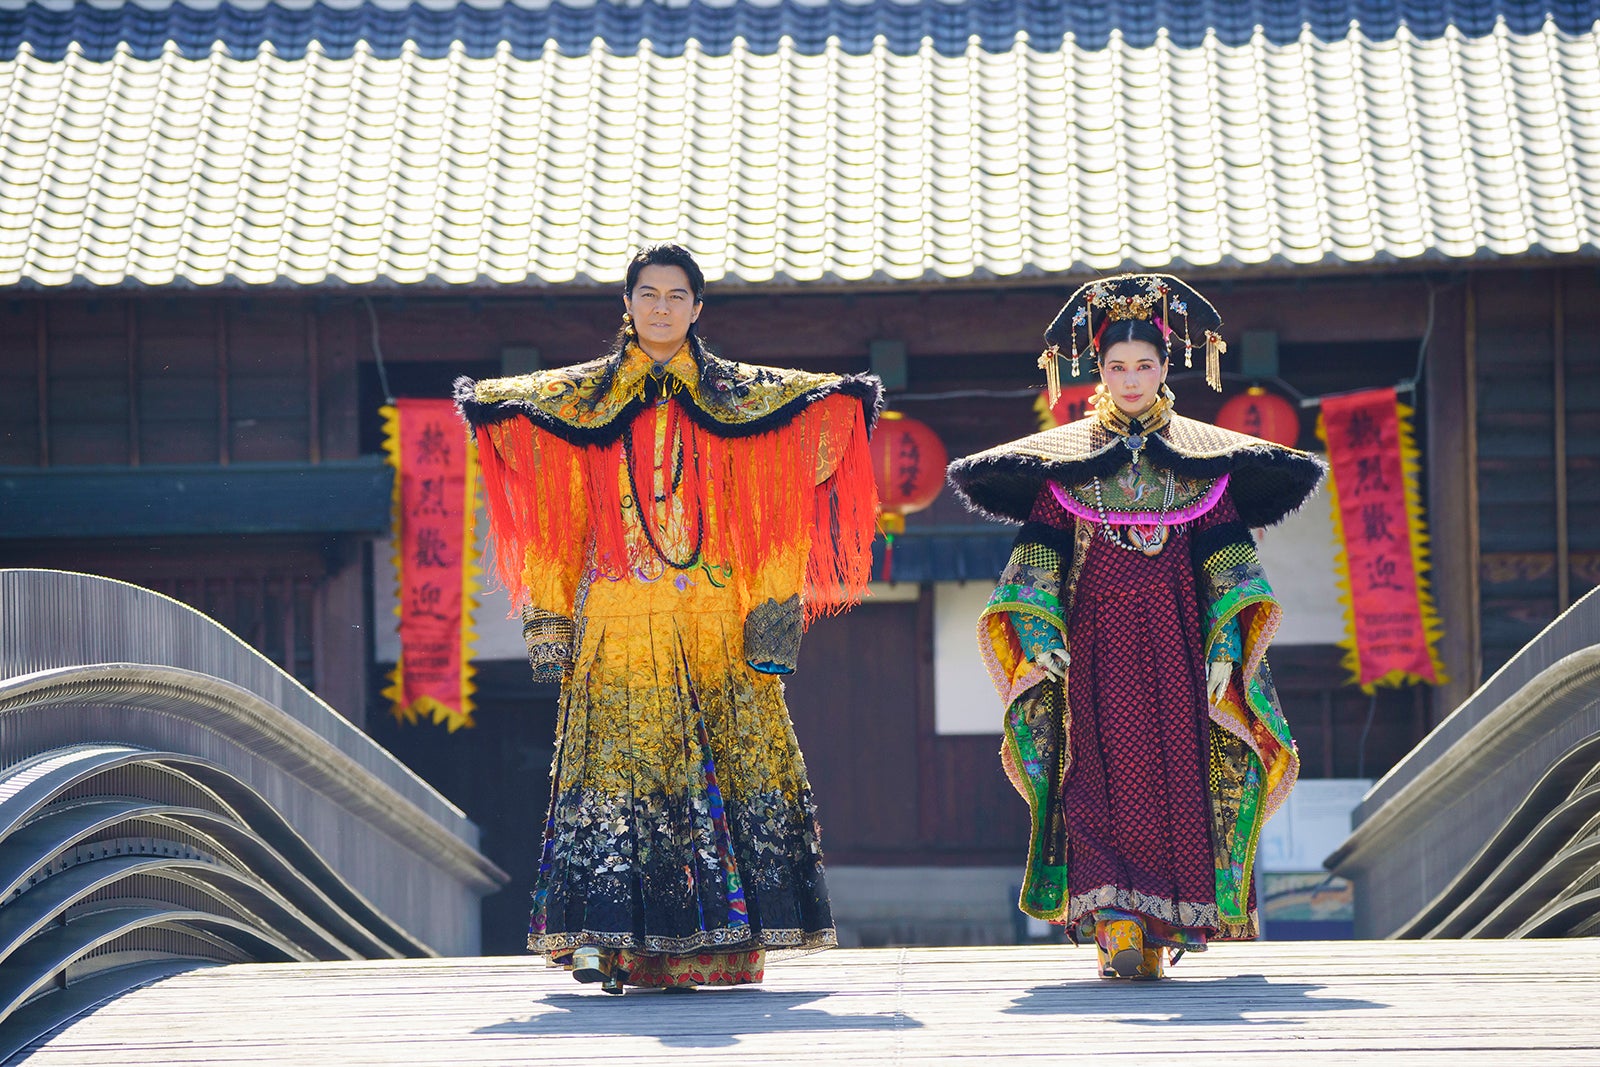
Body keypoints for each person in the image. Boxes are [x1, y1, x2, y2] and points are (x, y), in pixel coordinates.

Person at [456, 245, 881, 993]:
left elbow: (781, 500)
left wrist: (772, 616)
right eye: (647, 293)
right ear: (627, 304)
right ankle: (606, 941)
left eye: (676, 295)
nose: (660, 307)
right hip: (620, 623)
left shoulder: (740, 398)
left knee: (714, 777)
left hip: (717, 623)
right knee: (620, 780)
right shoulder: (582, 402)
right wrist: (550, 616)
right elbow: (559, 518)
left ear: (697, 309)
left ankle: (711, 949)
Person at [946, 274, 1324, 980]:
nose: (1130, 378)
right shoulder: (1070, 471)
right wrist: (1039, 639)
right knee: (1092, 777)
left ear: (1164, 368)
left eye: (1144, 365)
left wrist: (1228, 650)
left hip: (1183, 650)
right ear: (1098, 370)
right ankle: (1113, 918)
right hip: (1093, 649)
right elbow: (1036, 565)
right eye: (1116, 366)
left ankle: (1154, 925)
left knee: (1175, 781)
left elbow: (1231, 571)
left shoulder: (1201, 471)